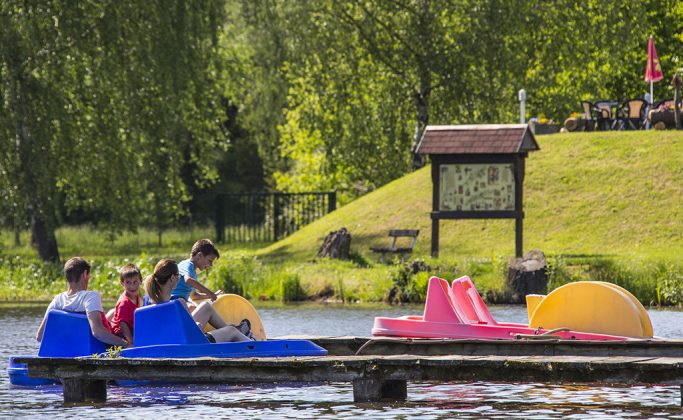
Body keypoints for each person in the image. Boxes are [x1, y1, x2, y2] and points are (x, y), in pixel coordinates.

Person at [145, 258, 251, 342]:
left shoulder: (149, 303)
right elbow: (191, 332)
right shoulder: (179, 303)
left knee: (205, 307)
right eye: (178, 275)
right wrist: (196, 325)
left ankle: (237, 332)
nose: (179, 277)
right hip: (192, 344)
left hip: (172, 341)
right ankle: (250, 342)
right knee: (231, 331)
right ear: (172, 278)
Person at [36, 257, 130, 348]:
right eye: (89, 275)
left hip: (68, 349)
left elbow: (40, 336)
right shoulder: (90, 297)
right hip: (96, 349)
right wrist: (126, 344)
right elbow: (98, 333)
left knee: (113, 312)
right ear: (85, 274)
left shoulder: (57, 300)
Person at [171, 239, 223, 308]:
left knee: (200, 308)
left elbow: (194, 296)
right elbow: (188, 280)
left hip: (181, 302)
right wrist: (209, 293)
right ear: (199, 255)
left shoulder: (193, 272)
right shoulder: (187, 264)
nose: (211, 265)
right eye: (210, 261)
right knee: (201, 308)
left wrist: (213, 295)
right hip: (173, 301)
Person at [110, 263, 143, 345]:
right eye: (128, 282)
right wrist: (131, 342)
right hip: (121, 333)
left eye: (135, 282)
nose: (132, 286)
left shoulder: (138, 296)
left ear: (140, 280)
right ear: (122, 283)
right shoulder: (124, 303)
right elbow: (123, 325)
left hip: (132, 327)